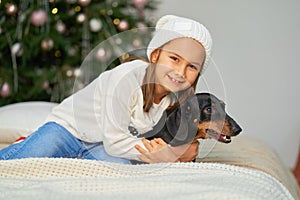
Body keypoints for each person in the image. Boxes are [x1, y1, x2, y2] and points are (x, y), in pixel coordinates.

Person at [0, 15, 212, 164]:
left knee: (124, 170)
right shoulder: (126, 78)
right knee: (24, 158)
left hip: (102, 144)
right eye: (174, 59)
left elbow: (147, 141)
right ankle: (30, 142)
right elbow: (117, 143)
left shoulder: (173, 101)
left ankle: (77, 160)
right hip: (68, 131)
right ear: (155, 56)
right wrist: (168, 154)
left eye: (192, 66)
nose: (180, 72)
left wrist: (179, 150)